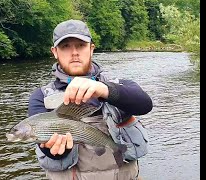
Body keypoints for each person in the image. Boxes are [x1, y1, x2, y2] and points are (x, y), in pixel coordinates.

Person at [28, 19, 153, 180]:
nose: (74, 53)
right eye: (65, 46)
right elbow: (50, 152)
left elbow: (145, 104)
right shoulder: (41, 98)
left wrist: (104, 89)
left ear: (91, 49)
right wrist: (54, 149)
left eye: (80, 45)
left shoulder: (118, 85)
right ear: (55, 52)